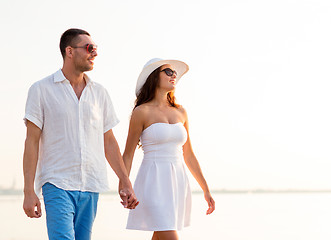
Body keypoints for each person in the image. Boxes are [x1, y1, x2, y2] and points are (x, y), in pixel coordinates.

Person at [22, 28, 138, 240]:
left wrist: (125, 180)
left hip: (91, 185)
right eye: (89, 48)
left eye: (95, 49)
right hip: (57, 183)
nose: (94, 53)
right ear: (70, 51)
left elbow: (109, 141)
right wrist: (29, 190)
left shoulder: (100, 93)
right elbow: (31, 142)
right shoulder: (40, 89)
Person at [123, 58, 215, 240]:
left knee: (160, 234)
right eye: (168, 72)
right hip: (152, 180)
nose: (174, 76)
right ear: (153, 77)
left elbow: (188, 154)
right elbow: (128, 154)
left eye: (174, 73)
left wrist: (205, 189)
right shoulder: (141, 112)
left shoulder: (181, 111)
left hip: (177, 181)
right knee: (168, 233)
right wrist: (124, 186)